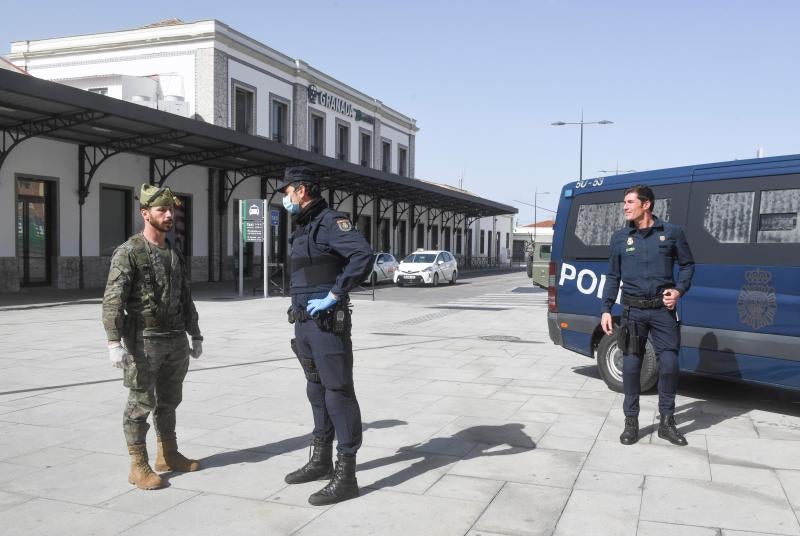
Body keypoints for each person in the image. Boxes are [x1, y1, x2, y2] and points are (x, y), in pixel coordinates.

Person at [281, 167, 373, 505]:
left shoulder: (332, 222)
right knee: (315, 389)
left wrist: (335, 294)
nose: (284, 197)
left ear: (302, 190)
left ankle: (346, 475)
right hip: (304, 323)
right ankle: (320, 461)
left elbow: (362, 256)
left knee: (337, 392)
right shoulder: (304, 226)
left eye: (287, 190)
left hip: (326, 324)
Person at [102, 184, 203, 489]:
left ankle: (168, 454)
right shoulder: (129, 252)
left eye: (172, 210)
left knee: (170, 400)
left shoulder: (174, 252)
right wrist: (113, 342)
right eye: (162, 210)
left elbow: (186, 297)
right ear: (145, 213)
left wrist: (195, 333)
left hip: (174, 339)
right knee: (141, 402)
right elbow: (113, 299)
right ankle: (138, 464)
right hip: (143, 340)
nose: (169, 215)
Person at [600, 184, 695, 446]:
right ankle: (631, 422)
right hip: (632, 311)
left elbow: (688, 265)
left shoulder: (672, 233)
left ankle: (666, 422)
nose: (625, 207)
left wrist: (678, 291)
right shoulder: (620, 238)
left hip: (663, 311)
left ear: (646, 204)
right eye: (625, 202)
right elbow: (612, 276)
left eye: (630, 202)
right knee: (631, 366)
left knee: (670, 364)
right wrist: (606, 308)